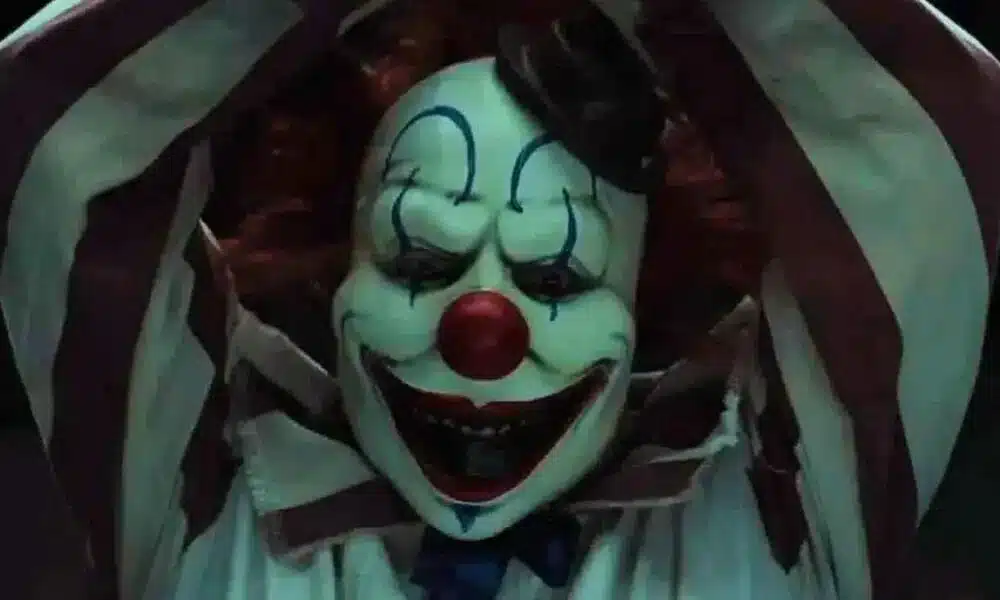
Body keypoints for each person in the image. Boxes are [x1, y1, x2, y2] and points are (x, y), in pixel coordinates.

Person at [1, 0, 997, 599]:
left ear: (636, 303)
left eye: (554, 278)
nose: (483, 329)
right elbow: (58, 141)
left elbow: (922, 162)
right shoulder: (207, 489)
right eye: (419, 261)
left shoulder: (776, 505)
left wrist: (666, 14)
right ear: (340, 273)